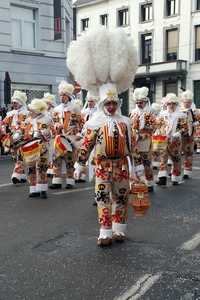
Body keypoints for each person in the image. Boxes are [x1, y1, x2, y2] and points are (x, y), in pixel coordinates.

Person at [73, 83, 144, 246]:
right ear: (102, 105)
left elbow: (133, 145)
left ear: (118, 105)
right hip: (102, 167)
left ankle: (118, 229)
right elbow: (86, 146)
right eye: (108, 103)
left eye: (114, 103)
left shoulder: (125, 123)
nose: (111, 107)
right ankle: (105, 231)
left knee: (121, 196)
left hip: (121, 166)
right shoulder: (94, 124)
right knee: (102, 197)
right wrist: (80, 165)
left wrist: (138, 166)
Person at [49, 80, 85, 189]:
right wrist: (56, 127)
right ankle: (57, 181)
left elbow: (82, 123)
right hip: (59, 137)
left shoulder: (75, 108)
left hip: (71, 137)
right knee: (56, 159)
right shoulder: (56, 109)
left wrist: (80, 133)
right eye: (60, 95)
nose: (62, 97)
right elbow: (53, 122)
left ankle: (70, 181)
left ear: (69, 96)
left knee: (70, 160)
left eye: (64, 95)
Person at [22, 98, 55, 198]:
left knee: (41, 167)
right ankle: (34, 189)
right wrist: (18, 132)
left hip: (42, 147)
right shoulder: (28, 120)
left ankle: (42, 189)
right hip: (30, 147)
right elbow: (21, 130)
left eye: (32, 111)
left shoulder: (48, 120)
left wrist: (48, 132)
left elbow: (53, 133)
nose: (30, 112)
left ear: (37, 112)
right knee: (31, 167)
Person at [155, 93, 188, 186]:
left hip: (175, 140)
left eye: (173, 103)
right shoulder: (162, 115)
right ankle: (162, 178)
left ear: (176, 104)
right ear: (166, 105)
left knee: (176, 159)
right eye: (169, 104)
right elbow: (158, 125)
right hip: (164, 139)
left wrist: (179, 133)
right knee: (163, 158)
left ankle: (175, 177)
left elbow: (185, 128)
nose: (171, 105)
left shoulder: (181, 115)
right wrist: (157, 131)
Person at [130, 87, 157, 192]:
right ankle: (137, 183)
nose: (138, 105)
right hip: (135, 140)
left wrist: (140, 123)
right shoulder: (134, 111)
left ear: (145, 101)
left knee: (146, 162)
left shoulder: (151, 111)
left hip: (145, 139)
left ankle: (150, 183)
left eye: (140, 102)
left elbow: (153, 126)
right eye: (137, 103)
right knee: (135, 163)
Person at [0, 90, 29, 183]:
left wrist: (22, 124)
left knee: (20, 156)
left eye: (15, 103)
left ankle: (16, 174)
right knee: (15, 157)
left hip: (23, 138)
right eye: (13, 103)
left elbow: (30, 124)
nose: (13, 105)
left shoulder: (27, 113)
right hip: (12, 138)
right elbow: (3, 122)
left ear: (20, 103)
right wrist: (3, 129)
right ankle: (23, 175)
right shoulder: (10, 114)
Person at [179, 90, 200, 179]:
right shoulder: (179, 111)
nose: (186, 104)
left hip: (189, 135)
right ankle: (176, 171)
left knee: (188, 153)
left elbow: (199, 120)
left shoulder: (195, 111)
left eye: (188, 102)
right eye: (185, 102)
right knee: (176, 153)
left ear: (191, 103)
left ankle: (187, 171)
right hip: (179, 135)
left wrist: (197, 123)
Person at [43, 92, 57, 178]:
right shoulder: (44, 113)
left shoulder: (54, 113)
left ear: (51, 104)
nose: (45, 105)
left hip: (53, 135)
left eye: (47, 103)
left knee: (52, 151)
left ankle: (53, 169)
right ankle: (49, 168)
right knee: (47, 151)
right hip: (45, 135)